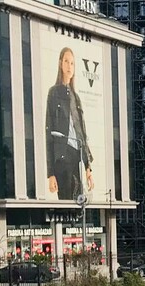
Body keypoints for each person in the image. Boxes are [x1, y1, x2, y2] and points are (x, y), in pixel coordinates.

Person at [46, 47, 94, 201]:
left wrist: (88, 168)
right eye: (66, 61)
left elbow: (82, 133)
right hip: (62, 156)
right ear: (60, 64)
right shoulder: (53, 93)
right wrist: (50, 174)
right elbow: (49, 134)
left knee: (80, 202)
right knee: (66, 202)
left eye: (72, 63)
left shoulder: (76, 97)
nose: (69, 66)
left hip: (77, 155)